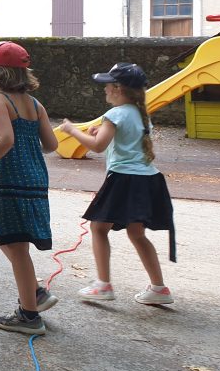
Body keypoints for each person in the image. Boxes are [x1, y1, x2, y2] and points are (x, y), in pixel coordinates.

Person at [60, 63, 176, 305]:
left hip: (125, 179)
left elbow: (98, 146)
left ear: (117, 89)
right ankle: (159, 288)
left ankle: (103, 285)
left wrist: (72, 130)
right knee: (136, 233)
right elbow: (120, 140)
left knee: (98, 228)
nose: (104, 91)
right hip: (148, 179)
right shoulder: (139, 114)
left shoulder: (114, 114)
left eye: (107, 86)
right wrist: (98, 130)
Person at [0, 42, 59, 336]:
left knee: (15, 247)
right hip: (35, 180)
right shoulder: (36, 104)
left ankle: (29, 315)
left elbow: (4, 139)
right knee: (7, 239)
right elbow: (52, 145)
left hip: (12, 181)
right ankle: (35, 293)